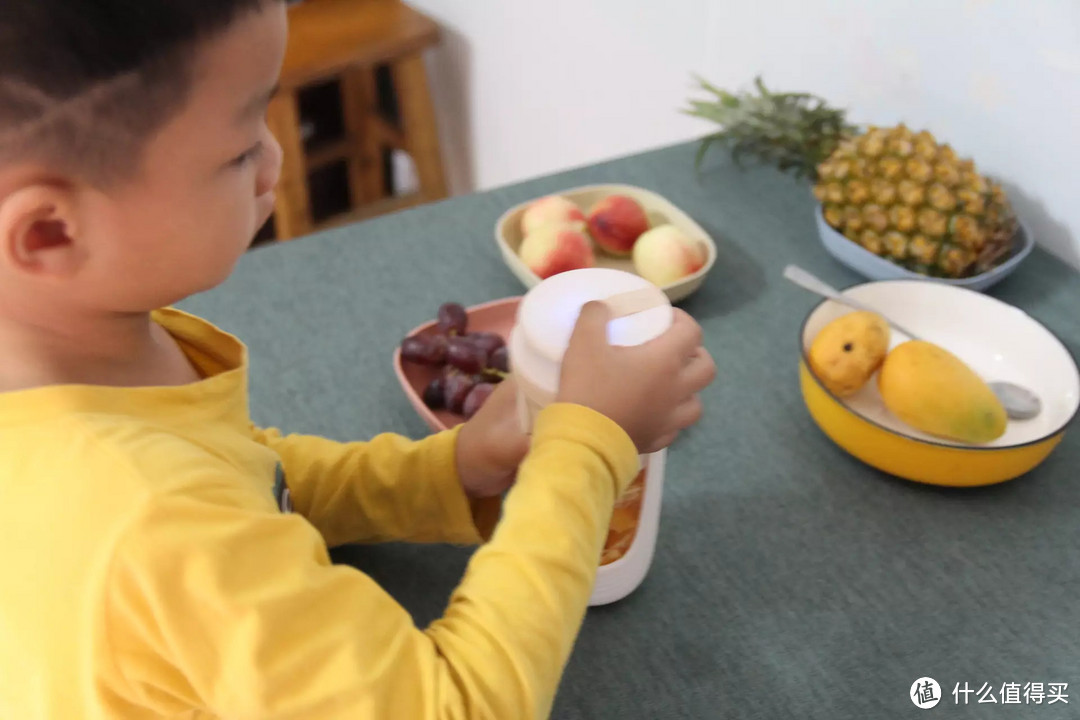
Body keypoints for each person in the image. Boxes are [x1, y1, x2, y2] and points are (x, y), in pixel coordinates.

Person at [0, 1, 716, 718]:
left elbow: (243, 474)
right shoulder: (151, 516)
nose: (276, 158)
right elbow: (454, 706)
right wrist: (589, 444)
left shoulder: (77, 358)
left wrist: (447, 471)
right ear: (51, 234)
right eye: (240, 147)